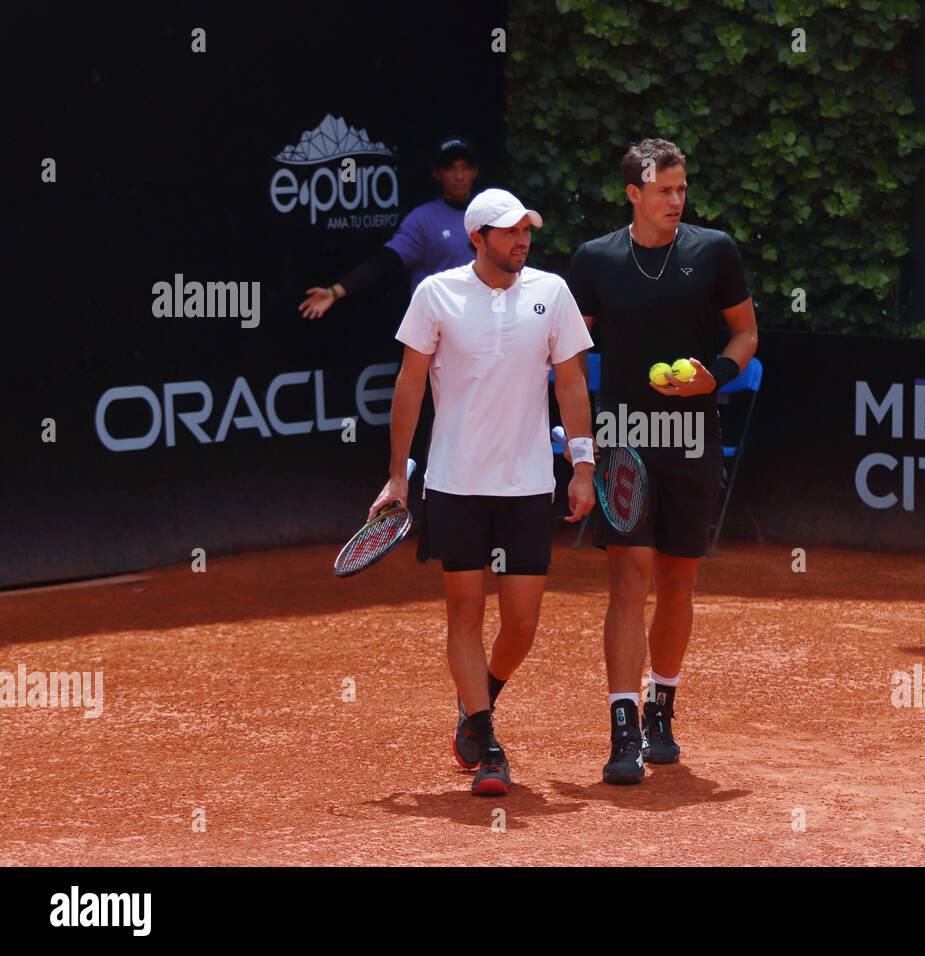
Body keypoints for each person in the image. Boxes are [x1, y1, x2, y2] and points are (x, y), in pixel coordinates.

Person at [370, 188, 596, 796]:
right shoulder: (435, 295)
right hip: (455, 483)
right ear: (478, 239)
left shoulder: (552, 293)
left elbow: (571, 383)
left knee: (521, 624)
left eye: (527, 230)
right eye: (509, 232)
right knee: (465, 612)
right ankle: (488, 742)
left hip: (527, 485)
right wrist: (399, 476)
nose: (522, 239)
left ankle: (480, 699)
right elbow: (409, 387)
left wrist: (583, 464)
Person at [566, 139, 758, 785]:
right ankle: (623, 730)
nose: (677, 201)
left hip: (694, 437)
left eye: (682, 190)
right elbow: (565, 347)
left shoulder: (714, 251)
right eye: (664, 191)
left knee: (678, 580)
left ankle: (661, 710)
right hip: (625, 438)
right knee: (628, 580)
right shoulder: (595, 261)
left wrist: (717, 377)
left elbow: (746, 332)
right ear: (634, 194)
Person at [299, 136, 481, 318]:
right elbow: (386, 261)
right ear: (437, 174)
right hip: (438, 324)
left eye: (465, 167)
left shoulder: (489, 215)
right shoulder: (422, 220)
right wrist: (336, 291)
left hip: (482, 321)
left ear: (475, 172)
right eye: (450, 168)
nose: (459, 176)